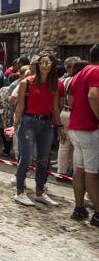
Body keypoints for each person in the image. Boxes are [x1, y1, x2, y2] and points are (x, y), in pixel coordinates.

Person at [12, 52, 64, 207]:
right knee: (26, 159)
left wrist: (60, 126)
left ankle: (40, 191)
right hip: (29, 121)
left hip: (47, 124)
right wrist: (15, 125)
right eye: (43, 62)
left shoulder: (55, 84)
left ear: (53, 65)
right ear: (38, 64)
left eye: (48, 62)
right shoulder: (26, 82)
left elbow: (55, 108)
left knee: (43, 160)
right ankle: (20, 192)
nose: (45, 65)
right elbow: (20, 105)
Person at [67, 44, 99, 226]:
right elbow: (94, 95)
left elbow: (71, 100)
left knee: (79, 169)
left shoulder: (79, 74)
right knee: (92, 172)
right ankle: (98, 214)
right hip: (90, 128)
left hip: (76, 127)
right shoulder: (96, 71)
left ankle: (79, 208)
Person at [56, 57, 81, 177]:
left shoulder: (63, 80)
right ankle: (72, 171)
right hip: (72, 112)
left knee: (64, 143)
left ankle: (62, 171)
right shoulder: (77, 80)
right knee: (75, 144)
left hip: (64, 113)